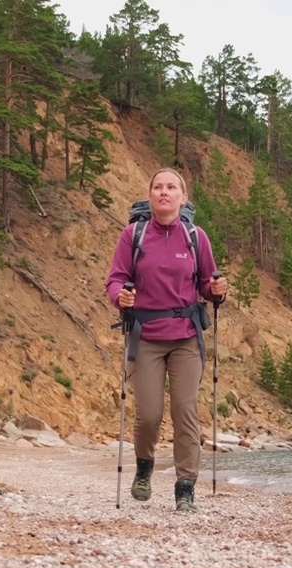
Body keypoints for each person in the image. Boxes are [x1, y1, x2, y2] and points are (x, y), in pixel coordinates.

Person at [105, 168, 228, 512]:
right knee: (148, 414)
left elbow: (207, 282)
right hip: (146, 336)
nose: (164, 192)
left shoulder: (195, 236)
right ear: (150, 195)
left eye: (171, 187)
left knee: (185, 409)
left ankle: (185, 487)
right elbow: (115, 280)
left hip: (186, 337)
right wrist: (121, 298)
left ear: (183, 197)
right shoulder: (134, 234)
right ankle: (144, 467)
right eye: (157, 187)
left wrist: (217, 290)